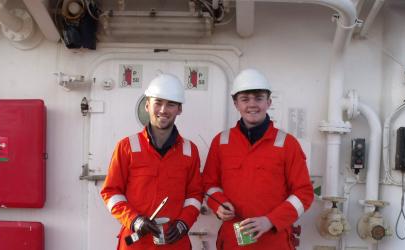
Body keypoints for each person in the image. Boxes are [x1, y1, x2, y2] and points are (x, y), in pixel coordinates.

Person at [202, 68, 314, 249]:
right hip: (232, 240)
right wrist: (219, 205)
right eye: (245, 99)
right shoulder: (221, 142)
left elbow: (304, 194)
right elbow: (208, 184)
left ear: (269, 102)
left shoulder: (287, 144)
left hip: (273, 240)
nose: (252, 104)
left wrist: (270, 220)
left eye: (258, 98)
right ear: (236, 104)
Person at [101, 73, 203, 250]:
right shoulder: (126, 147)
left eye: (171, 104)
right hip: (136, 243)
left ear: (179, 109)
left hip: (175, 243)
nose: (163, 110)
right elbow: (111, 192)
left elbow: (194, 195)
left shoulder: (189, 151)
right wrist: (135, 220)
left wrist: (183, 223)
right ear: (147, 105)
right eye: (158, 103)